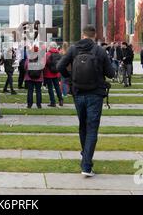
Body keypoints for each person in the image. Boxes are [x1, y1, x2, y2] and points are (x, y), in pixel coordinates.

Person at [57, 26, 115, 177]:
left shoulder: (73, 49)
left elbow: (59, 66)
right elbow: (111, 73)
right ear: (94, 36)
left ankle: (85, 157)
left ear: (83, 35)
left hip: (78, 93)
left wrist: (69, 79)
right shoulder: (100, 50)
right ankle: (87, 165)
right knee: (92, 128)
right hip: (94, 94)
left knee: (83, 126)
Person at [44, 42, 63, 107]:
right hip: (56, 73)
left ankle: (53, 102)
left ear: (50, 47)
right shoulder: (59, 54)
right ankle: (60, 100)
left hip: (48, 73)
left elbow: (45, 63)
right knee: (57, 87)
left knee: (50, 88)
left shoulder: (47, 54)